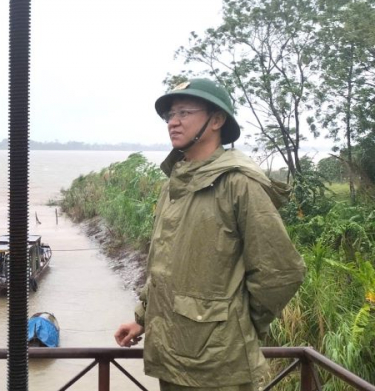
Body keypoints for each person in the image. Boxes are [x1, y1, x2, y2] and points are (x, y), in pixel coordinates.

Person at [114, 78, 306, 390]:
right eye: (170, 115)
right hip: (172, 355)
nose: (173, 122)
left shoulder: (238, 183)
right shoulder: (174, 184)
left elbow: (280, 271)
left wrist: (236, 324)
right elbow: (164, 267)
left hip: (219, 366)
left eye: (184, 113)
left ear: (216, 120)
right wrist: (142, 319)